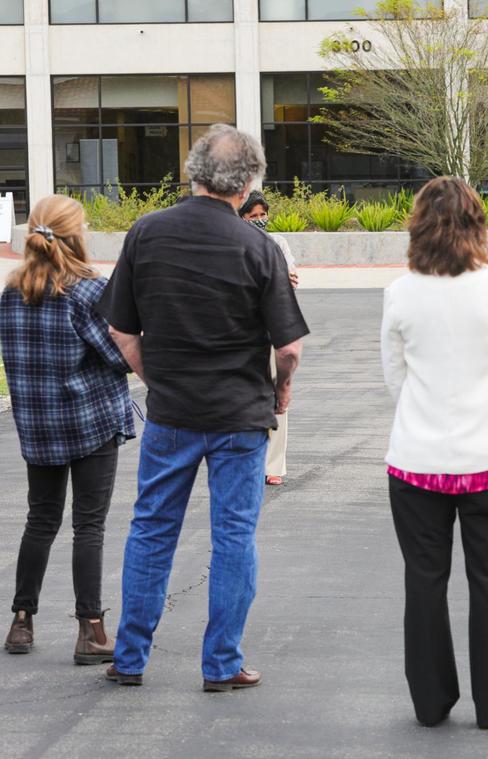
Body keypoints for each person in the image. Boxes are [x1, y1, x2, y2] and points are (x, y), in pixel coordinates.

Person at [97, 124, 309, 691]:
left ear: (192, 173)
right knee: (234, 537)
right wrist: (280, 391)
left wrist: (156, 378)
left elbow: (121, 329)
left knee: (151, 530)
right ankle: (221, 663)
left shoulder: (146, 233)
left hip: (172, 412)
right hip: (240, 414)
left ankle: (130, 657)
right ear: (246, 185)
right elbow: (288, 348)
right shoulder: (259, 246)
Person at [381, 176, 488, 730]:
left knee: (423, 581)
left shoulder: (400, 292)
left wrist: (426, 414)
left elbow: (395, 376)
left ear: (417, 224)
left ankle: (430, 701)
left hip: (417, 458)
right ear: (477, 223)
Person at [0, 195, 135, 664]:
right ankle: (91, 630)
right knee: (88, 525)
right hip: (88, 421)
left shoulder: (11, 292)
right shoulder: (87, 291)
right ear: (76, 234)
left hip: (37, 424)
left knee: (40, 519)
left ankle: (21, 621)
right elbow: (119, 356)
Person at [238, 189, 299, 486]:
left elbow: (290, 280)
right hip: (243, 331)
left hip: (273, 327)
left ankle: (273, 465)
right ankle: (248, 462)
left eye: (263, 215)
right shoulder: (234, 245)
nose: (260, 220)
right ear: (242, 218)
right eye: (253, 216)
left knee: (277, 396)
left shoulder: (278, 243)